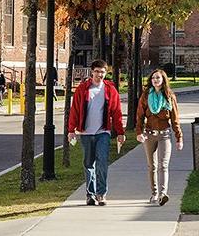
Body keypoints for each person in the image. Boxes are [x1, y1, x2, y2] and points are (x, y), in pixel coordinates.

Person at [67, 59, 125, 206]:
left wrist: (120, 132)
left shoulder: (110, 90)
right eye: (97, 71)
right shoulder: (83, 89)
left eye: (103, 72)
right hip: (86, 133)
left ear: (106, 73)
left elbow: (117, 112)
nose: (100, 74)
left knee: (102, 162)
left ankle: (101, 194)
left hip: (102, 132)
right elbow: (74, 110)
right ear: (92, 72)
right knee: (88, 164)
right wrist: (71, 130)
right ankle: (90, 195)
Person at [135, 68, 182, 206]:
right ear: (151, 80)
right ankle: (154, 193)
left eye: (158, 78)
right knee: (152, 166)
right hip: (150, 135)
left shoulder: (169, 96)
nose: (155, 80)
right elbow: (139, 116)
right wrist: (139, 132)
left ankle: (163, 194)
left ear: (163, 80)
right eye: (153, 78)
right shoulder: (145, 96)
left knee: (164, 165)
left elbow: (175, 119)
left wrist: (179, 137)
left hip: (165, 135)